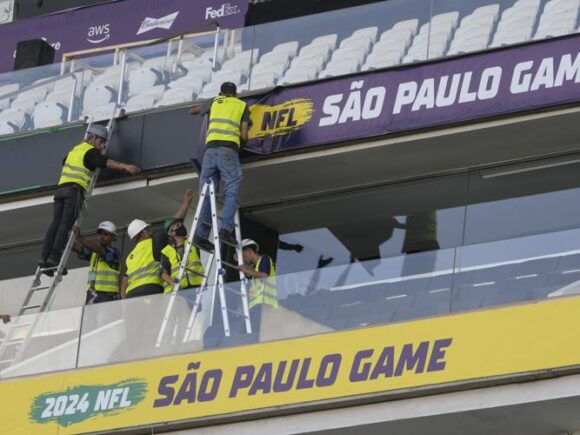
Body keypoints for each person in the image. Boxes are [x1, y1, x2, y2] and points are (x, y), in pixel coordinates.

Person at [39, 124, 140, 273]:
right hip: (74, 192)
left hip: (60, 190)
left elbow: (64, 161)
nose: (103, 145)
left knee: (55, 224)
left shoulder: (75, 150)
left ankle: (44, 257)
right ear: (91, 138)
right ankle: (54, 258)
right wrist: (124, 166)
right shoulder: (91, 152)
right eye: (101, 141)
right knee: (65, 226)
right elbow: (105, 162)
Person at [189, 81, 251, 251]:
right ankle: (226, 229)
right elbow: (244, 134)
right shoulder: (241, 105)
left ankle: (201, 235)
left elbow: (192, 110)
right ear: (235, 94)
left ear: (221, 92)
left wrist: (208, 104)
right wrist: (240, 147)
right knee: (232, 186)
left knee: (208, 193)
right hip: (228, 149)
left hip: (209, 152)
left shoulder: (215, 101)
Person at [121, 189, 194, 299]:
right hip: (151, 291)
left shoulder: (130, 257)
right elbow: (173, 224)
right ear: (143, 232)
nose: (150, 231)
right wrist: (186, 203)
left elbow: (124, 283)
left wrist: (124, 306)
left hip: (132, 296)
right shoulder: (155, 242)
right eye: (147, 229)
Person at [73, 221, 120, 305]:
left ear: (112, 237)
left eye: (105, 234)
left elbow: (99, 249)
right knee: (89, 318)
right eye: (100, 234)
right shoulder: (94, 253)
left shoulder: (114, 252)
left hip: (108, 294)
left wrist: (80, 238)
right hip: (92, 293)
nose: (102, 237)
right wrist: (65, 240)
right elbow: (80, 249)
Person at [238, 239, 277, 332]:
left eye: (244, 256)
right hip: (257, 306)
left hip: (264, 305)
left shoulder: (264, 259)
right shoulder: (256, 270)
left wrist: (247, 270)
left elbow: (264, 275)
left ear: (249, 251)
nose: (244, 259)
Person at [160, 218, 204, 293]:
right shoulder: (166, 251)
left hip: (196, 286)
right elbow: (163, 273)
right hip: (178, 290)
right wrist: (174, 285)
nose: (181, 226)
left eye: (181, 224)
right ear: (172, 233)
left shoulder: (192, 243)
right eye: (177, 225)